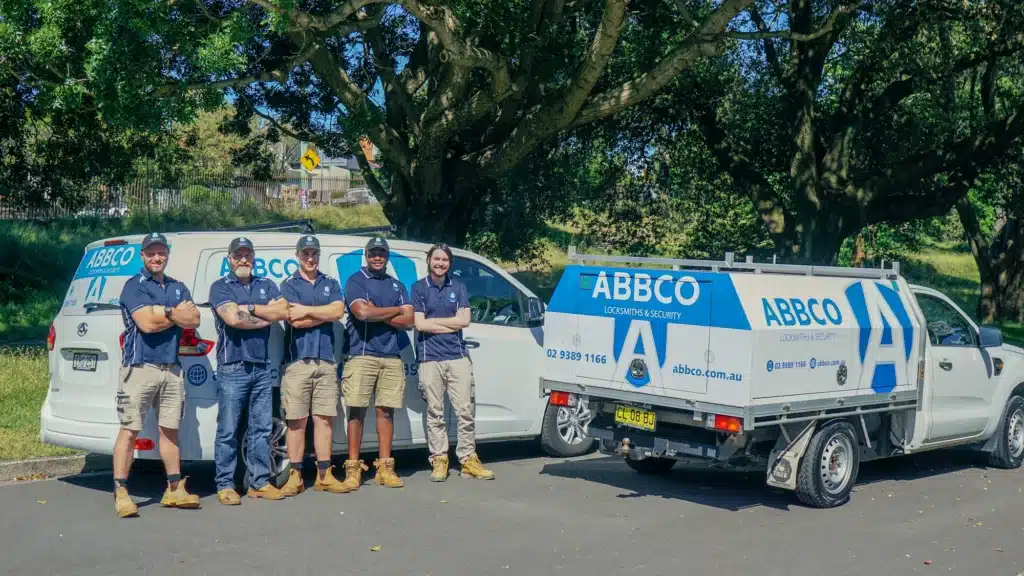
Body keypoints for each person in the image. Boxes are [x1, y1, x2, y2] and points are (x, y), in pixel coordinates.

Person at [113, 232, 202, 518]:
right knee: (130, 430)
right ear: (142, 256)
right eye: (150, 252)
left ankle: (174, 488)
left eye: (161, 252)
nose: (156, 257)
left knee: (170, 431)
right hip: (140, 367)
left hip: (172, 369)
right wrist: (173, 314)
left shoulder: (178, 287)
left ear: (167, 254)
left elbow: (194, 319)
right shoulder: (134, 286)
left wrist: (164, 313)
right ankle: (122, 492)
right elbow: (146, 324)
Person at [209, 236, 290, 504]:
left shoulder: (266, 284)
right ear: (229, 259)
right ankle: (225, 484)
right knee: (229, 430)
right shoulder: (220, 287)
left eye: (247, 255)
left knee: (261, 428)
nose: (243, 259)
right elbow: (232, 319)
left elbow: (283, 312)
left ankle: (259, 482)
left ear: (253, 258)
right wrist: (263, 317)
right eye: (237, 255)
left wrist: (252, 309)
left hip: (261, 367)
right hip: (233, 366)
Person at [411, 243, 494, 482]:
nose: (440, 263)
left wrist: (434, 322)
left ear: (449, 263)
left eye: (444, 260)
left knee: (465, 411)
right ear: (429, 261)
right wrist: (450, 322)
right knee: (435, 412)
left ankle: (468, 459)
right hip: (430, 359)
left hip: (457, 357)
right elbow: (420, 324)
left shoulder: (458, 287)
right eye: (436, 259)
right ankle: (439, 459)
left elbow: (465, 321)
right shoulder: (418, 288)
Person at [338, 236, 414, 490]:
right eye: (373, 253)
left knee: (386, 411)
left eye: (381, 253)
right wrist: (393, 311)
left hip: (391, 356)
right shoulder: (356, 281)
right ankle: (353, 467)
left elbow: (410, 320)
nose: (377, 258)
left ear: (387, 256)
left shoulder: (396, 284)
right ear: (366, 255)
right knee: (356, 411)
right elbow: (361, 313)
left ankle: (384, 467)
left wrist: (379, 312)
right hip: (362, 354)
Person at [278, 235, 348, 495]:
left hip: (326, 361)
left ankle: (324, 474)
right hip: (298, 361)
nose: (310, 258)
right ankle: (295, 475)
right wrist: (323, 312)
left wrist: (308, 311)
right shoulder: (289, 284)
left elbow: (338, 312)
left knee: (324, 420)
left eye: (314, 254)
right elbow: (294, 320)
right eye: (305, 253)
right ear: (298, 256)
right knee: (297, 421)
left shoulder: (330, 283)